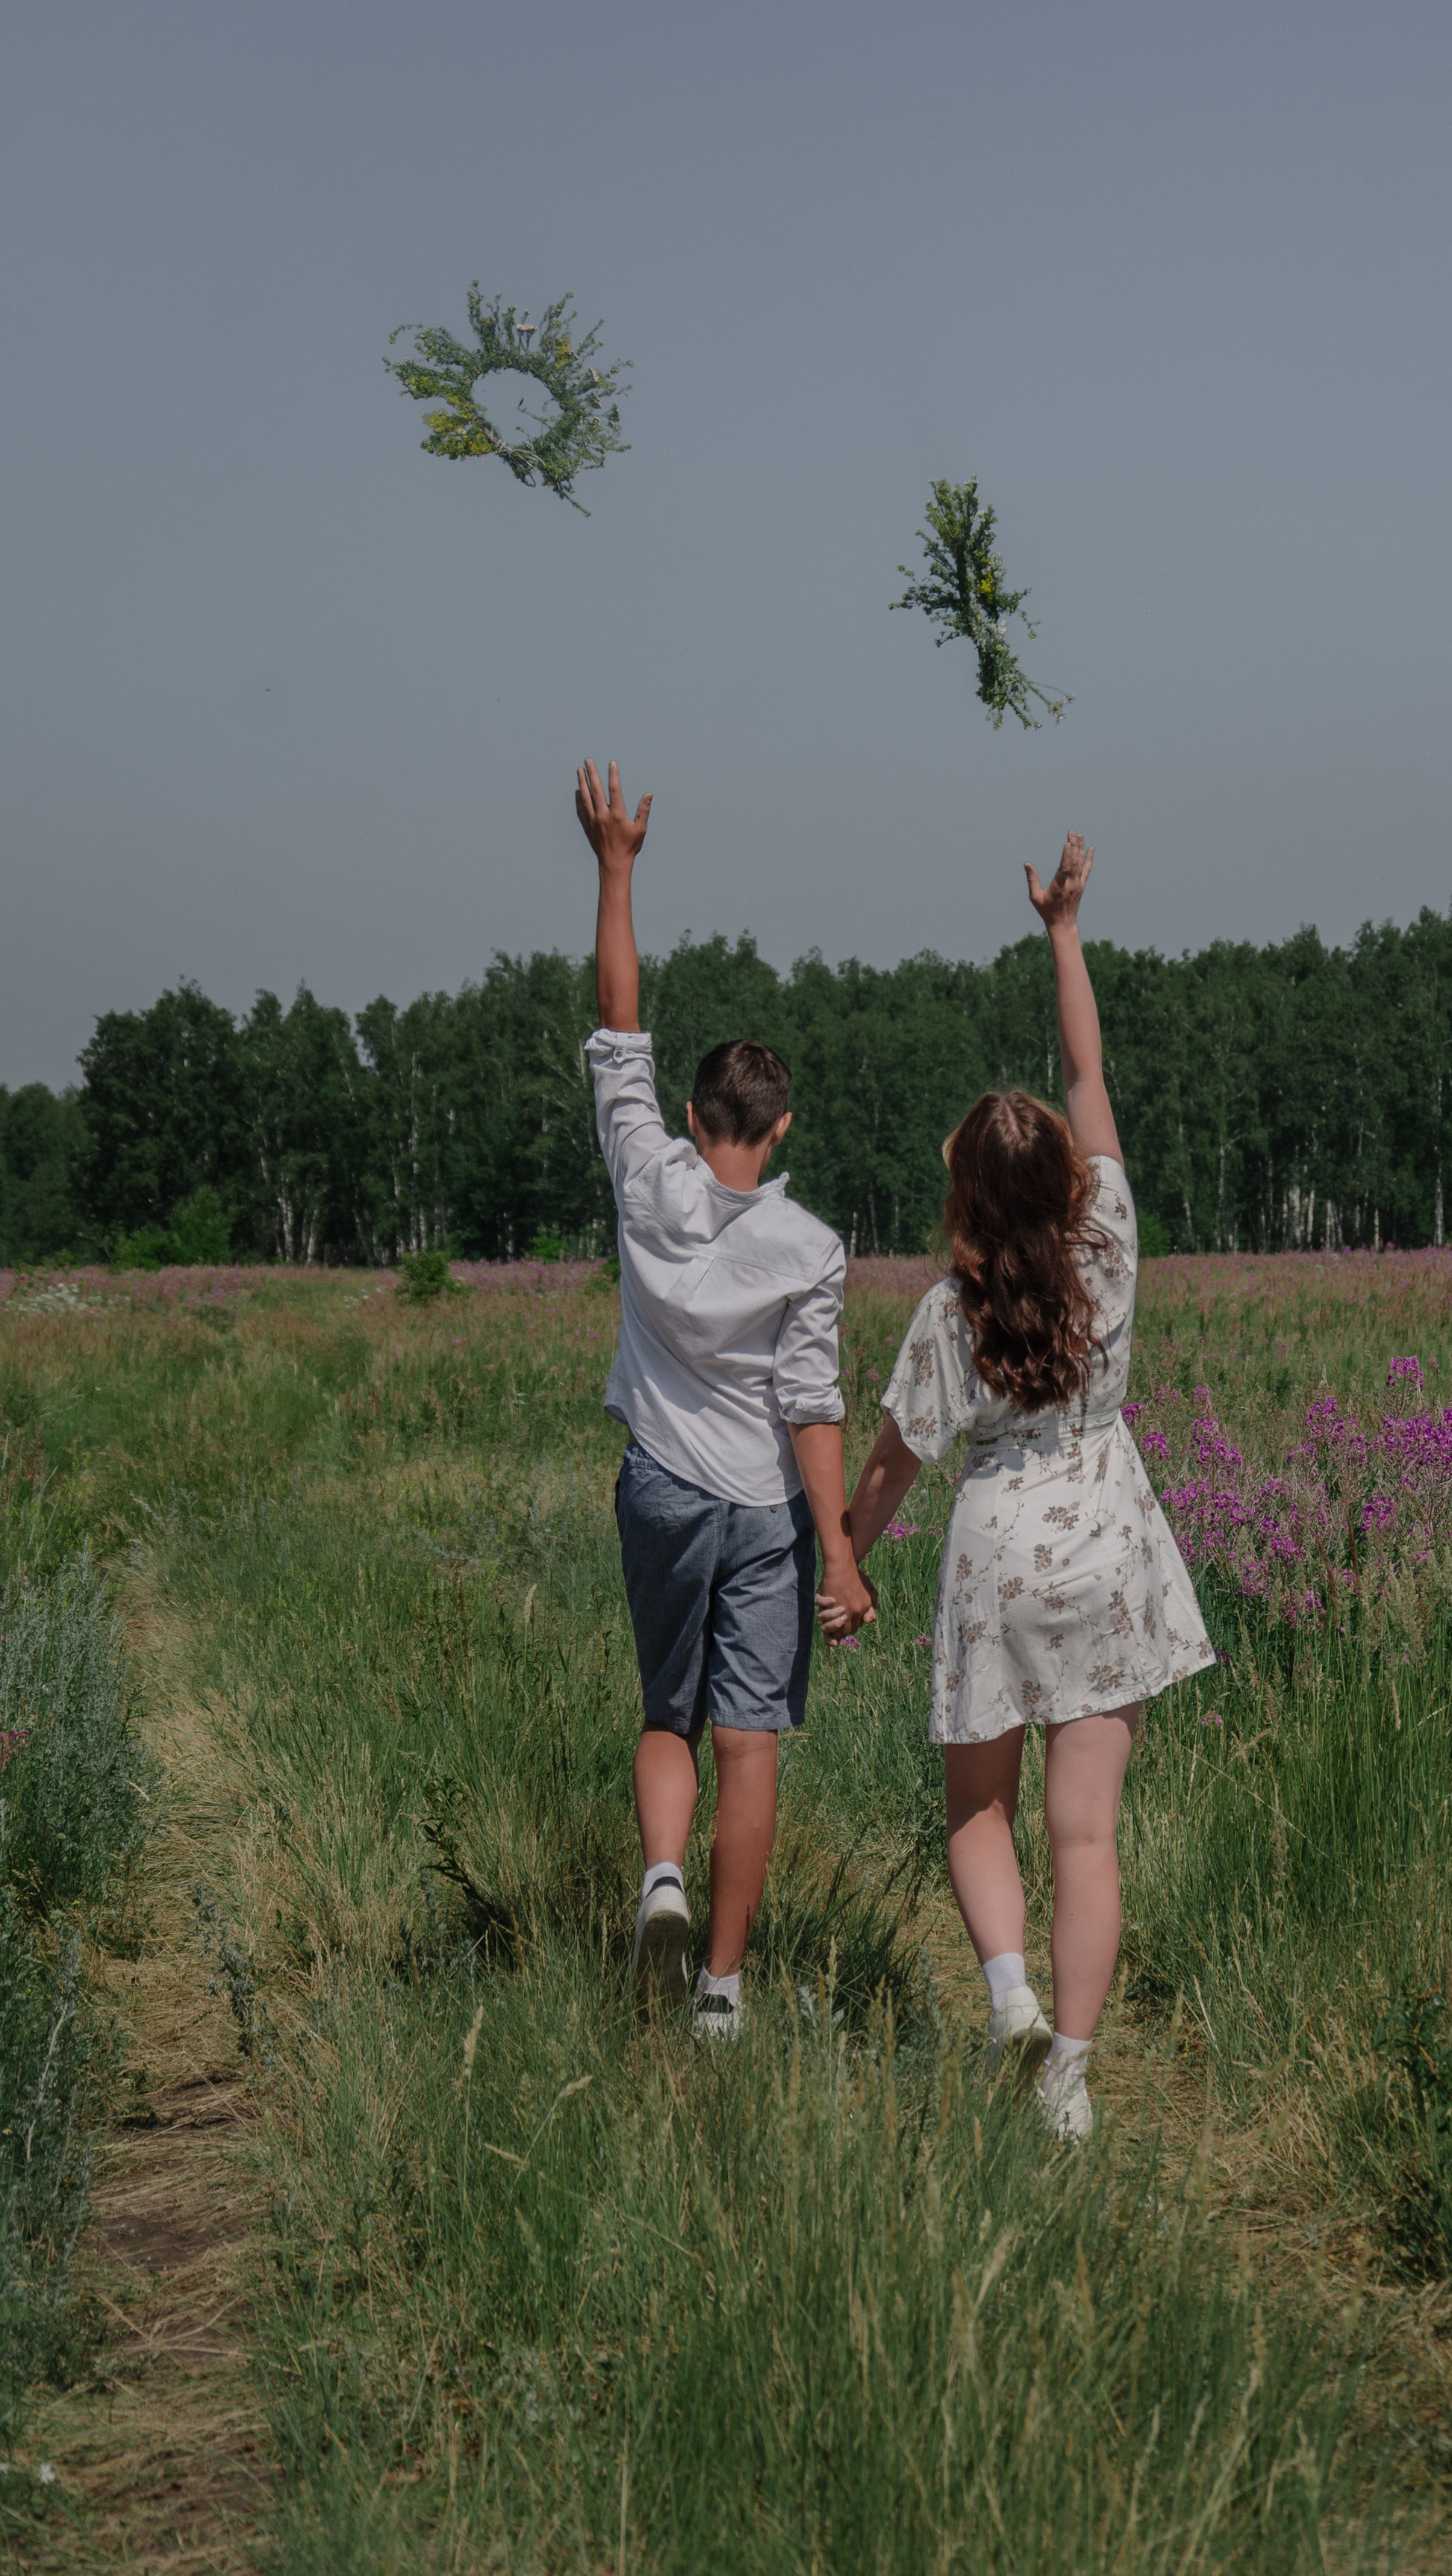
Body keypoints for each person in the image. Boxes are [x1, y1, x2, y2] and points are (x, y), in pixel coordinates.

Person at [835, 833, 1215, 2136]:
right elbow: (1087, 1067)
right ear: (1061, 1176)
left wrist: (846, 1557)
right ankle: (1069, 2076)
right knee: (1086, 1835)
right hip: (1108, 1543)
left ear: (964, 1197)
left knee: (974, 1808)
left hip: (995, 1559)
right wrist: (1063, 928)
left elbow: (891, 1465)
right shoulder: (1108, 1242)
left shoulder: (950, 1313)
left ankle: (1008, 1997)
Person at [576, 759, 873, 2040]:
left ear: (694, 1114)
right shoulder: (808, 1246)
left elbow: (617, 1020)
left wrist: (617, 866)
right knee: (751, 1740)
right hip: (764, 1512)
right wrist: (842, 1551)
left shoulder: (646, 1172)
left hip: (659, 1485)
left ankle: (660, 1881)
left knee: (666, 1712)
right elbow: (813, 1410)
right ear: (784, 1122)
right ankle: (725, 1993)